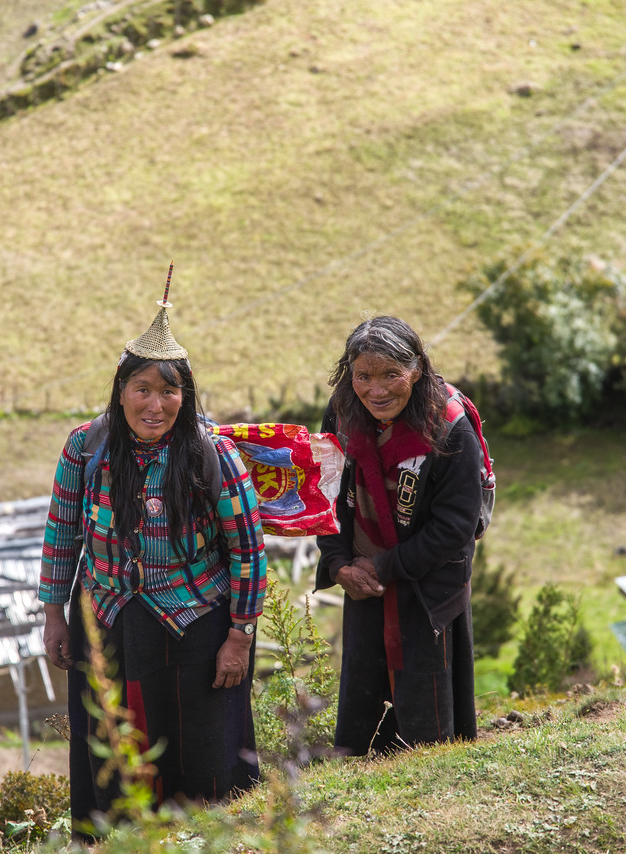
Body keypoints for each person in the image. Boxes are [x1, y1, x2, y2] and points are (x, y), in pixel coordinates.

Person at [39, 279, 267, 840]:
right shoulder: (85, 448)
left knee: (205, 758)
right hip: (109, 623)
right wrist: (53, 614)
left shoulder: (213, 454)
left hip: (197, 625)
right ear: (120, 392)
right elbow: (62, 536)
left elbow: (248, 550)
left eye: (169, 392)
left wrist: (239, 636)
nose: (154, 404)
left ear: (186, 397)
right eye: (141, 389)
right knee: (117, 753)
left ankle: (215, 846)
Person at [315, 316, 480, 755]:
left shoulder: (449, 426)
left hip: (427, 585)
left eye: (392, 374)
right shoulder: (344, 410)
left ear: (418, 370)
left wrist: (384, 565)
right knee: (365, 687)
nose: (377, 390)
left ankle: (434, 785)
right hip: (362, 579)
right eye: (363, 376)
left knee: (427, 702)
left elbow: (455, 527)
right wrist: (338, 563)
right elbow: (324, 489)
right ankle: (359, 781)